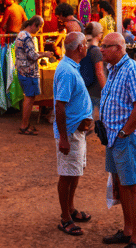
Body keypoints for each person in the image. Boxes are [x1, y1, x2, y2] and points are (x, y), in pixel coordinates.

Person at [99, 32, 136, 248]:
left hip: (124, 137)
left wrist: (125, 132)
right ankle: (128, 231)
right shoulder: (114, 69)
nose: (101, 50)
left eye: (106, 46)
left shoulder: (132, 70)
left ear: (119, 49)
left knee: (133, 185)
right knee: (122, 185)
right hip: (114, 137)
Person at [53, 32, 94, 237]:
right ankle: (65, 218)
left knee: (74, 172)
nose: (86, 47)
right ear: (80, 48)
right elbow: (60, 107)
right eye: (85, 44)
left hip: (75, 132)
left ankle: (70, 209)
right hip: (69, 133)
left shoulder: (70, 68)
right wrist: (63, 138)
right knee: (67, 175)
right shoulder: (67, 71)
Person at [15, 15, 54, 135]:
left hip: (23, 70)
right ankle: (24, 125)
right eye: (40, 26)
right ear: (34, 25)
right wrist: (45, 55)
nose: (40, 29)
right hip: (28, 72)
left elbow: (30, 53)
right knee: (29, 98)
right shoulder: (27, 37)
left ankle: (25, 124)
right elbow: (32, 56)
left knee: (29, 98)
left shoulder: (21, 34)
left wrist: (42, 53)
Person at [81, 22, 107, 113]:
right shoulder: (96, 51)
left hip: (87, 88)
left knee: (88, 118)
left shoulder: (85, 48)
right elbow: (99, 72)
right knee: (104, 118)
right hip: (97, 91)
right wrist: (106, 90)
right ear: (98, 34)